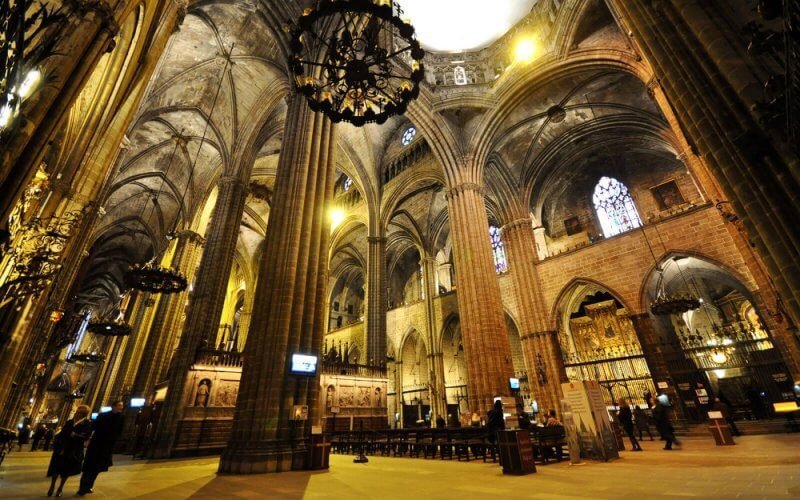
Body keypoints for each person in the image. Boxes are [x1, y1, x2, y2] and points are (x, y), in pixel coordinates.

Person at [78, 400, 125, 495]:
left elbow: (120, 431)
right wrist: (86, 438)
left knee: (97, 468)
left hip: (107, 446)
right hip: (96, 443)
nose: (121, 407)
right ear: (113, 406)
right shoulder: (103, 415)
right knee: (88, 467)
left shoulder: (121, 417)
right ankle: (83, 487)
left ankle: (89, 486)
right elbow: (93, 427)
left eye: (122, 406)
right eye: (119, 405)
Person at [47, 405, 92, 497]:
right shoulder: (69, 422)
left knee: (66, 471)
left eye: (80, 413)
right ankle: (52, 486)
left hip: (73, 451)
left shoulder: (87, 424)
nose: (76, 414)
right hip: (61, 448)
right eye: (77, 412)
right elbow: (62, 434)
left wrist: (74, 435)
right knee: (55, 469)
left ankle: (60, 488)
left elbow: (85, 437)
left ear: (84, 414)